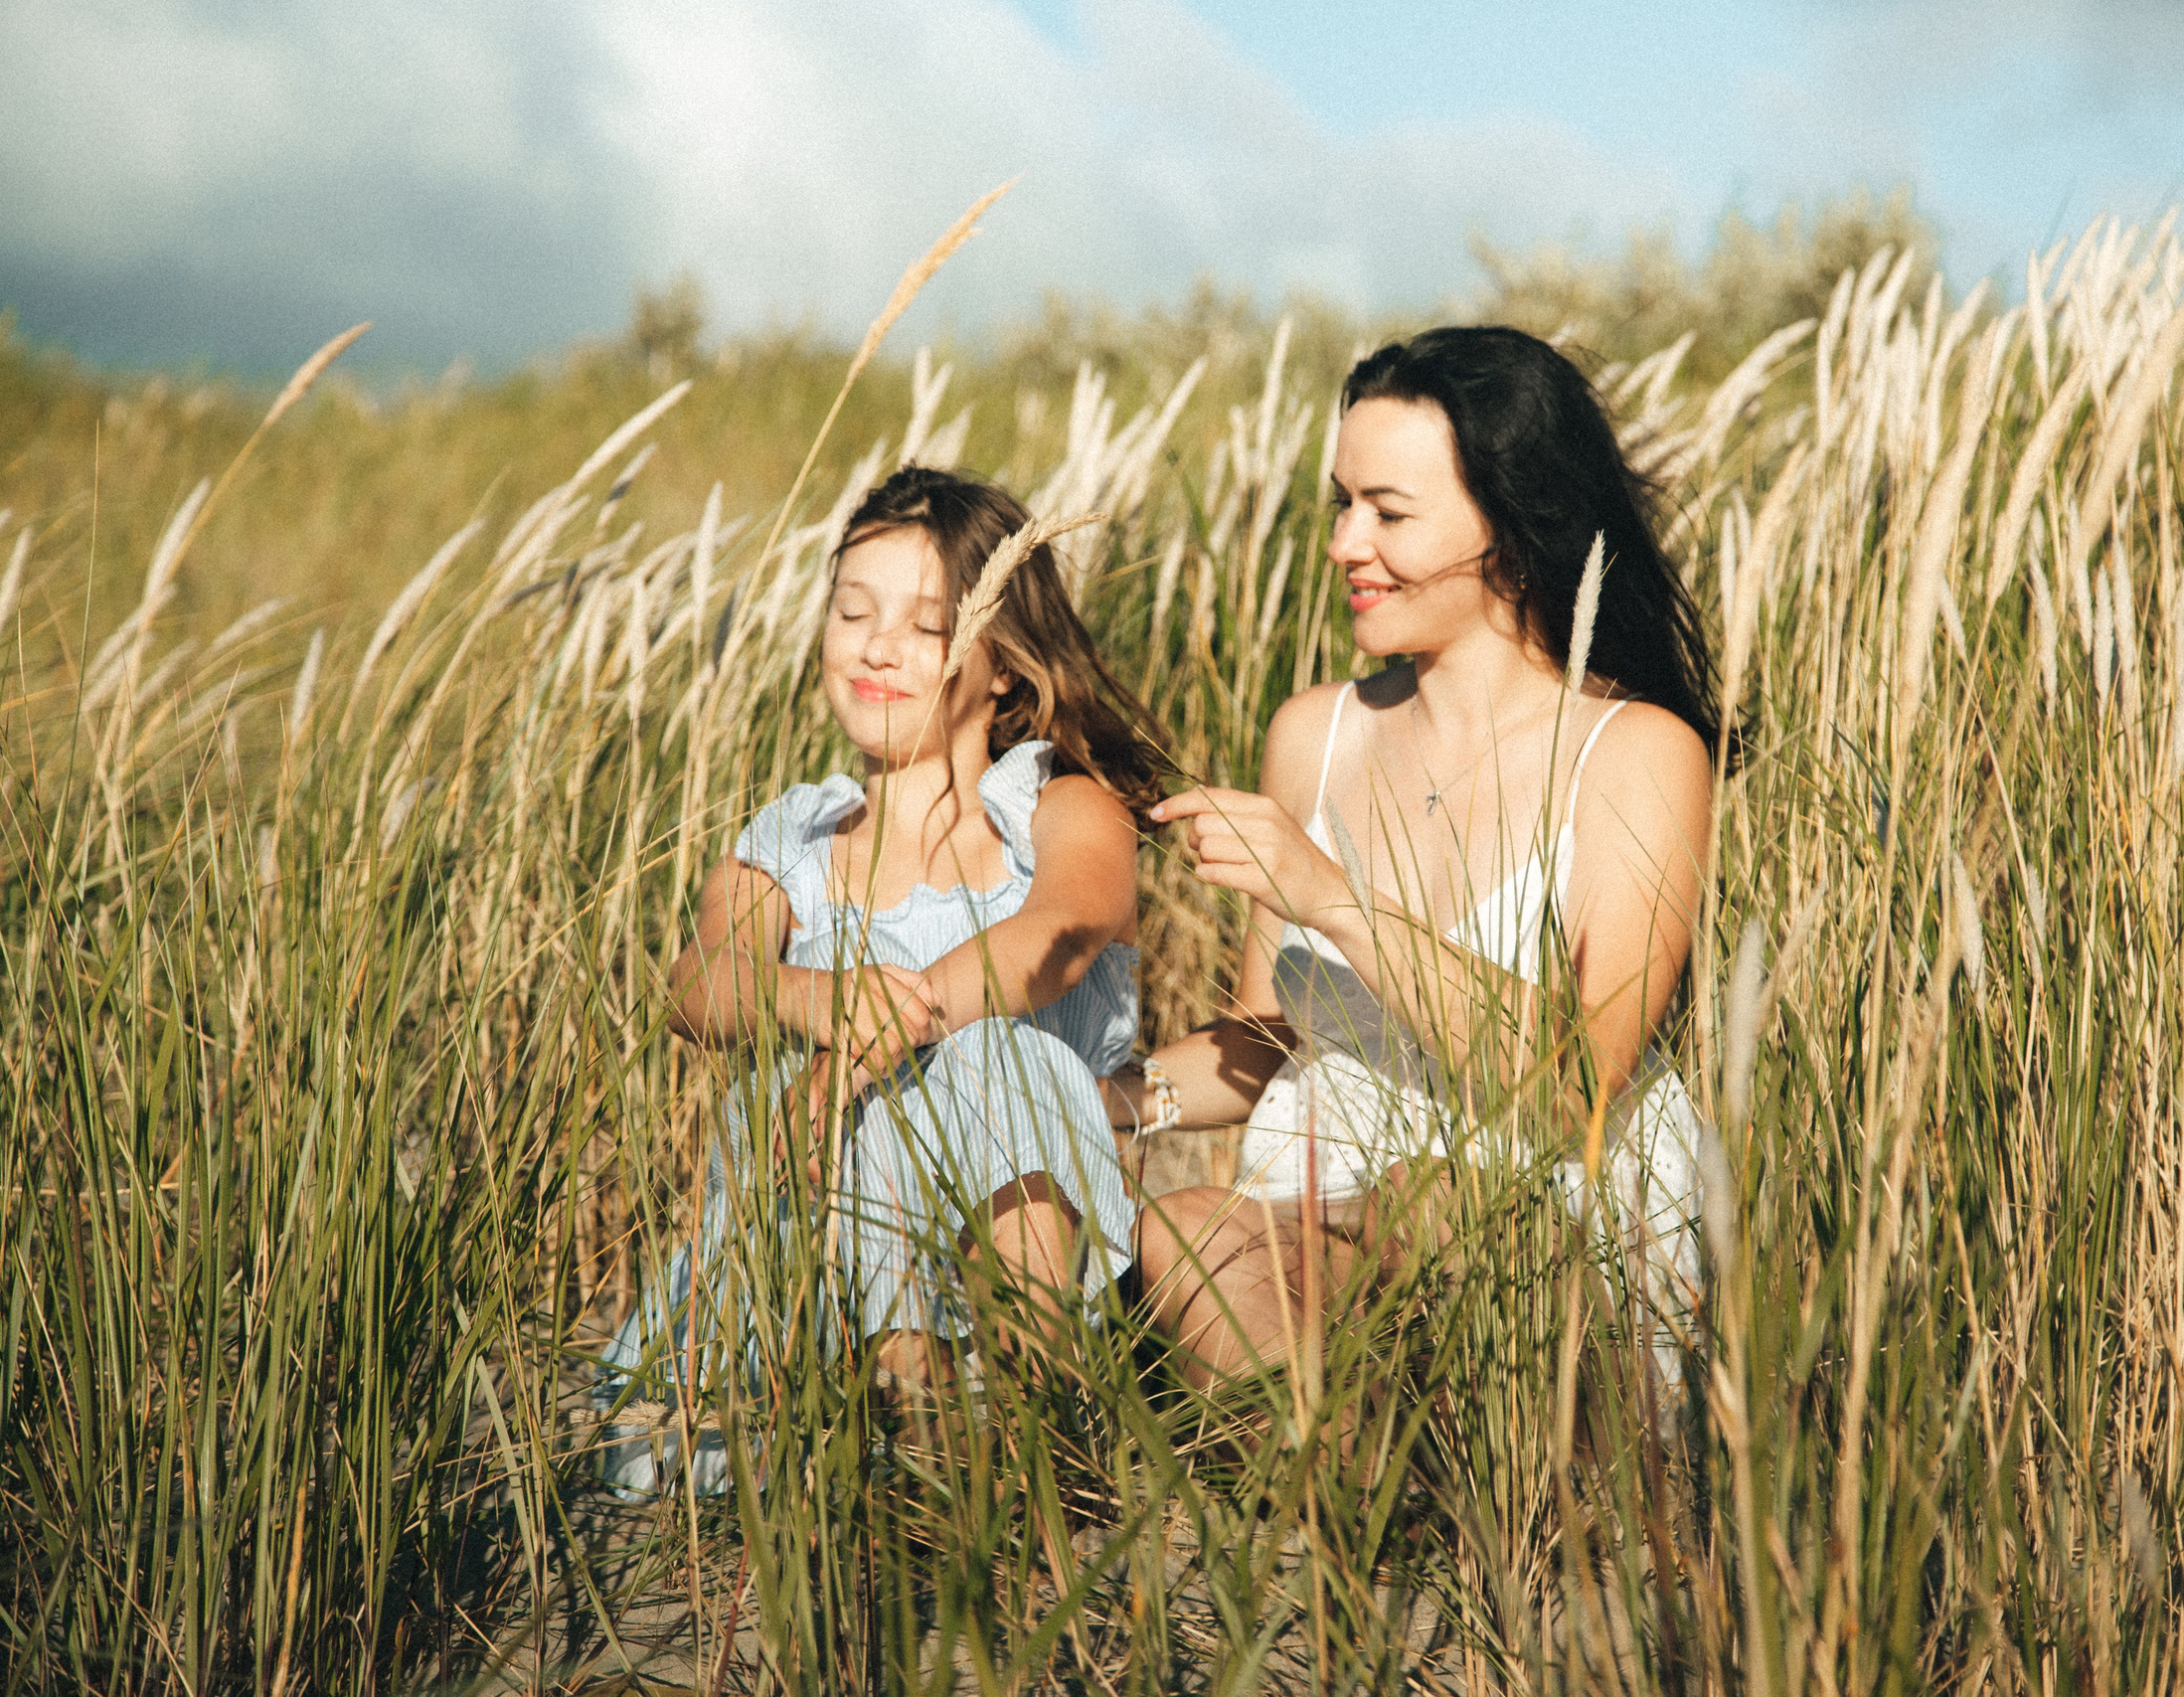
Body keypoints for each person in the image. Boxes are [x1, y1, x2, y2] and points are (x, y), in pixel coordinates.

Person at [1115, 326, 1719, 1388]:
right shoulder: (1316, 732)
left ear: (1513, 522)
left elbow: (1582, 1081)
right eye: (1342, 506)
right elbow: (1264, 1046)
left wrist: (1337, 904)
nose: (1347, 543)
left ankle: (1460, 1460)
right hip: (1319, 1221)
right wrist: (1105, 1099)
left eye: (1388, 513)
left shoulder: (1636, 755)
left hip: (1539, 1228)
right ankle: (1362, 1474)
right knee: (1184, 1228)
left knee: (1425, 1198)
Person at [600, 466, 1162, 1493]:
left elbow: (1059, 933)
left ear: (1003, 666)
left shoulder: (1057, 813)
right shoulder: (798, 837)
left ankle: (1025, 1412)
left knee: (999, 1060)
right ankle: (895, 1400)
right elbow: (700, 981)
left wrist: (856, 1054)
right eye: (852, 611)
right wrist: (811, 998)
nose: (876, 645)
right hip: (818, 1227)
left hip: (1017, 1249)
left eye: (926, 624)